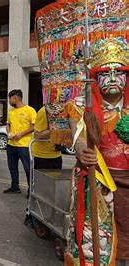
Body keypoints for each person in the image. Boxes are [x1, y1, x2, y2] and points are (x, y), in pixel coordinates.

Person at [65, 36, 128, 266]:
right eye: (105, 74)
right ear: (95, 77)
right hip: (100, 181)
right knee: (98, 246)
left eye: (118, 72)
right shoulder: (81, 104)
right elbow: (77, 137)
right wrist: (82, 150)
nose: (112, 79)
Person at [3, 89, 36, 194]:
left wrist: (21, 134)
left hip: (24, 145)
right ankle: (15, 186)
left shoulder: (29, 110)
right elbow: (8, 124)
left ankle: (31, 189)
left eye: (10, 99)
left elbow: (34, 126)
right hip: (11, 144)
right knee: (12, 167)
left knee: (27, 168)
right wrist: (9, 133)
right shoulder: (11, 111)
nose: (9, 101)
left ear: (15, 98)